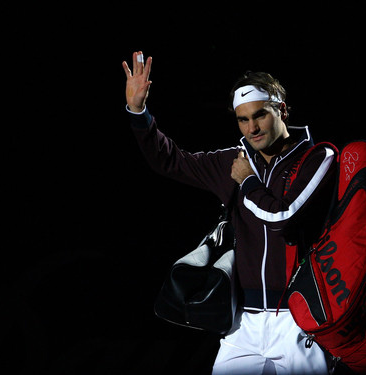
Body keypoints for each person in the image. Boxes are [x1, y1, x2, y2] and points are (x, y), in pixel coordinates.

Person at [122, 51, 337, 375]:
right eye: (242, 118)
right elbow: (170, 161)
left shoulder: (318, 157)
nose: (252, 128)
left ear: (281, 109)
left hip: (300, 321)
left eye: (260, 115)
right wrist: (139, 112)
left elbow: (285, 218)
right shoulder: (232, 161)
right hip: (244, 323)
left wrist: (247, 182)